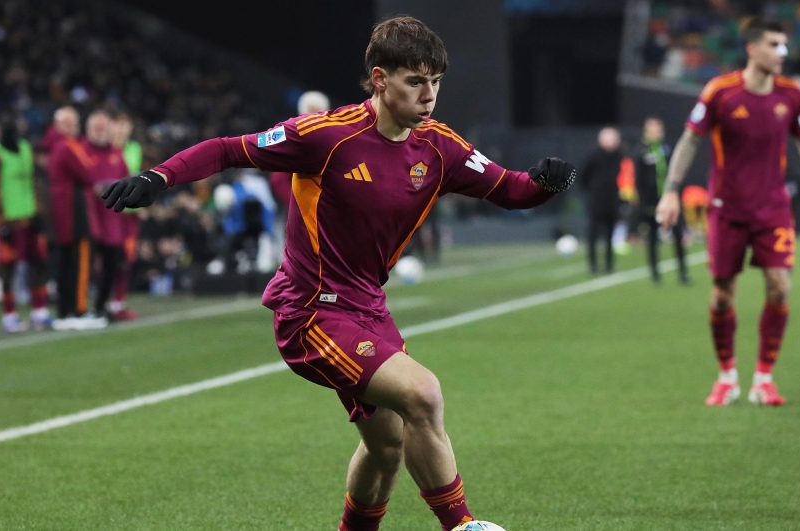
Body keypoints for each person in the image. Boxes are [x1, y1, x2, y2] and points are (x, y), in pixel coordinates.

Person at [103, 16, 575, 531]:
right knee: (423, 393)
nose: (429, 95)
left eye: (435, 81)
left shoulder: (440, 147)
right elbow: (226, 149)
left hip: (370, 310)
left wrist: (547, 183)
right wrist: (159, 176)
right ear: (379, 78)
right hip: (311, 312)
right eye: (415, 81)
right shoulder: (325, 136)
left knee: (387, 447)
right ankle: (463, 526)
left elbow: (510, 188)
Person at [656, 18, 800, 406]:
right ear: (752, 49)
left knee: (780, 285)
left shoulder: (791, 95)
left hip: (773, 208)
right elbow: (690, 141)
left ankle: (764, 378)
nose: (783, 53)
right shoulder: (720, 92)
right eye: (775, 45)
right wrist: (671, 192)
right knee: (722, 295)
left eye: (785, 45)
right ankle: (727, 377)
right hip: (726, 209)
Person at [48, 110, 129, 329]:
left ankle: (94, 306)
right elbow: (87, 176)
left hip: (109, 221)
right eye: (96, 128)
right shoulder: (73, 148)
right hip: (85, 219)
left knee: (105, 266)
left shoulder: (115, 153)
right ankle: (78, 310)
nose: (101, 133)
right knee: (79, 265)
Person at [0, 120, 53, 332]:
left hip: (31, 216)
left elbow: (34, 181)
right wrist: (0, 220)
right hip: (10, 220)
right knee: (8, 268)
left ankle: (39, 310)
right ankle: (9, 315)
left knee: (38, 262)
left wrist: (40, 212)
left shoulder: (24, 148)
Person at [634, 117, 690, 285]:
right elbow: (638, 179)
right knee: (652, 238)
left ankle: (682, 273)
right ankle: (655, 274)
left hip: (670, 202)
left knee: (678, 235)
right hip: (651, 203)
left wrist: (676, 195)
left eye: (659, 128)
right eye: (653, 128)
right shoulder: (641, 151)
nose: (657, 131)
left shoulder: (667, 148)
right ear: (646, 130)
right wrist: (643, 202)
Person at [108, 112, 141, 320]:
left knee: (127, 259)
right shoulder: (106, 150)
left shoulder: (135, 148)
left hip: (131, 214)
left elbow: (134, 174)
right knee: (109, 258)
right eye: (118, 124)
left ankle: (118, 303)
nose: (122, 129)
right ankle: (104, 301)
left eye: (125, 124)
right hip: (111, 212)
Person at [579, 127, 623, 274]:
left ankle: (609, 265)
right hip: (597, 202)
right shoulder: (594, 157)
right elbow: (582, 177)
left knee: (611, 236)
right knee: (593, 234)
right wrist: (592, 191)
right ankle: (593, 265)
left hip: (613, 201)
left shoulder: (620, 157)